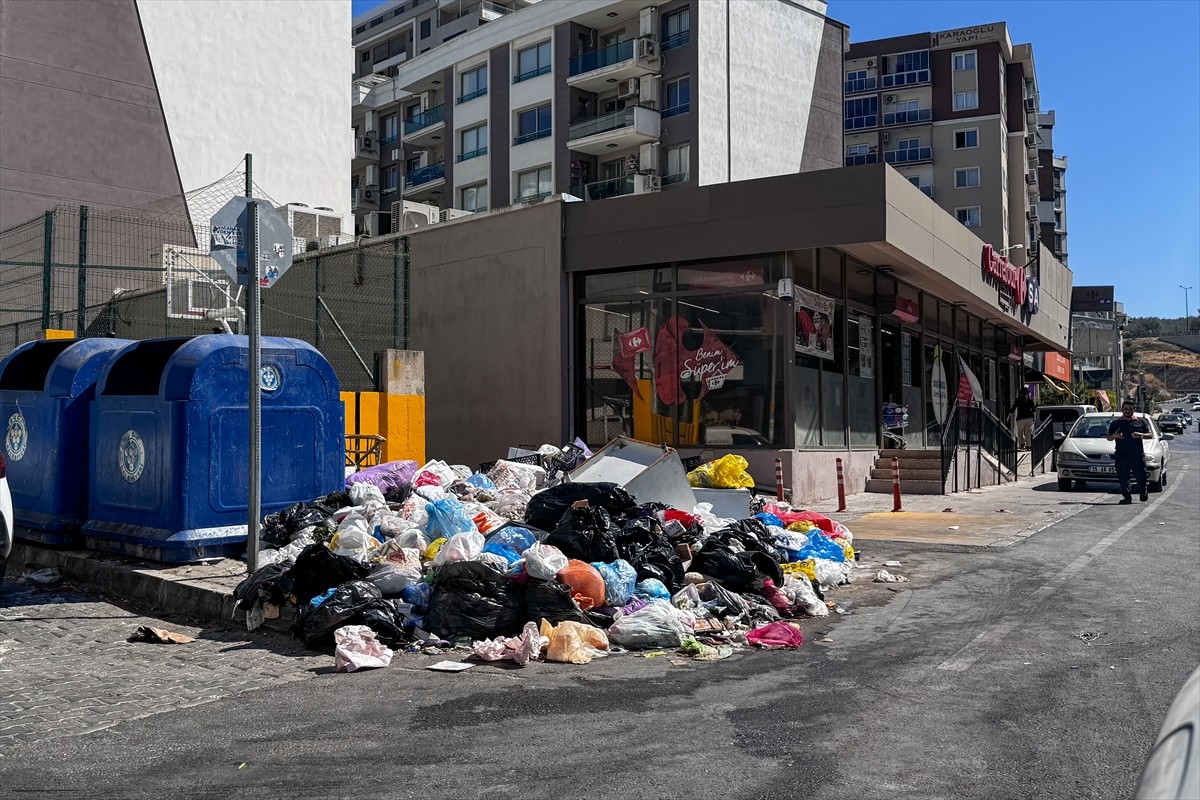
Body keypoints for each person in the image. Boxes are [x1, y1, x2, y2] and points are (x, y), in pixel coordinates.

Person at [1106, 399, 1151, 504]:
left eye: (1130, 409)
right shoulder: (1116, 423)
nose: (1127, 411)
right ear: (1122, 409)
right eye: (1125, 409)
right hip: (1122, 455)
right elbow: (1108, 437)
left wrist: (1141, 435)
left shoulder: (1140, 422)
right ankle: (1127, 498)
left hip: (1137, 455)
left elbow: (1150, 435)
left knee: (1140, 475)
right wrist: (1115, 436)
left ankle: (1143, 492)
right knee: (1123, 477)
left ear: (1134, 410)